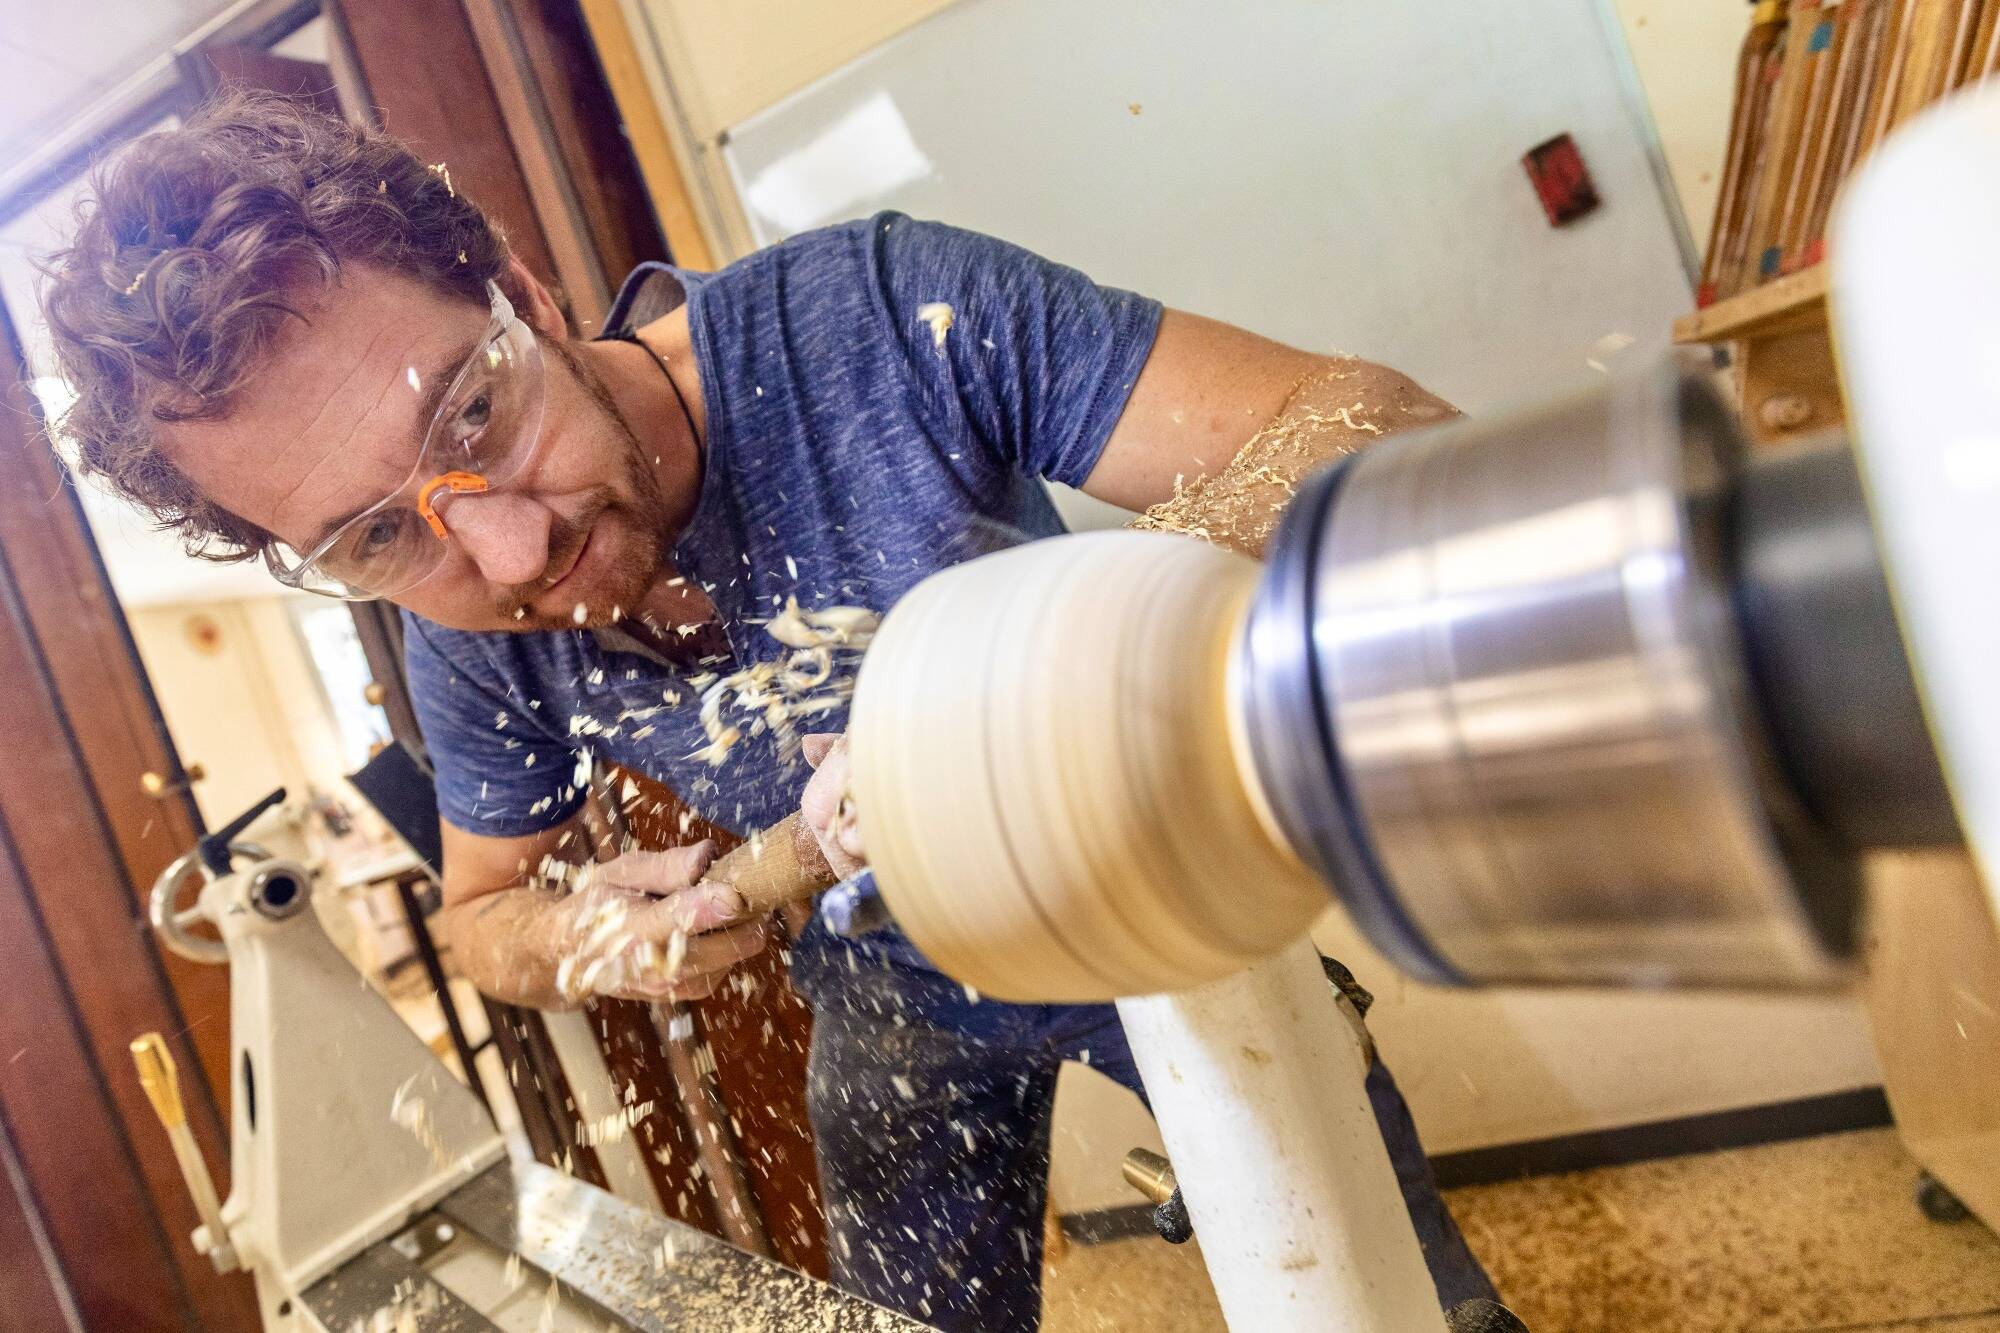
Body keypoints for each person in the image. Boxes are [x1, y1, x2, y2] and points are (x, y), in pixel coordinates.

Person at [41, 94, 1495, 1330]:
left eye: (472, 416)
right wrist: (598, 933)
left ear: (526, 296)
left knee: (1384, 1288)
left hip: (1134, 875)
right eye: (377, 539)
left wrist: (1032, 674)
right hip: (886, 973)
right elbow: (486, 919)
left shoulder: (871, 316)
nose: (507, 555)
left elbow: (1369, 423)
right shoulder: (467, 643)